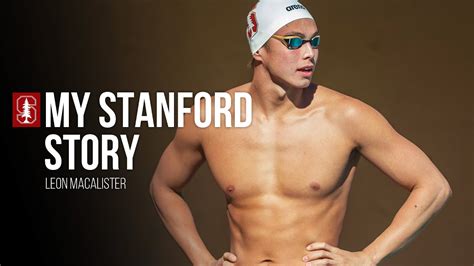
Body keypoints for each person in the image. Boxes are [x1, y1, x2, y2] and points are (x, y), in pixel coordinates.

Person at [149, 0, 452, 265]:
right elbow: (163, 187)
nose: (310, 53)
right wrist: (201, 260)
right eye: (294, 42)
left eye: (315, 41)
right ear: (259, 49)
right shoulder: (210, 117)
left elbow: (434, 186)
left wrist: (368, 257)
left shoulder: (346, 117)